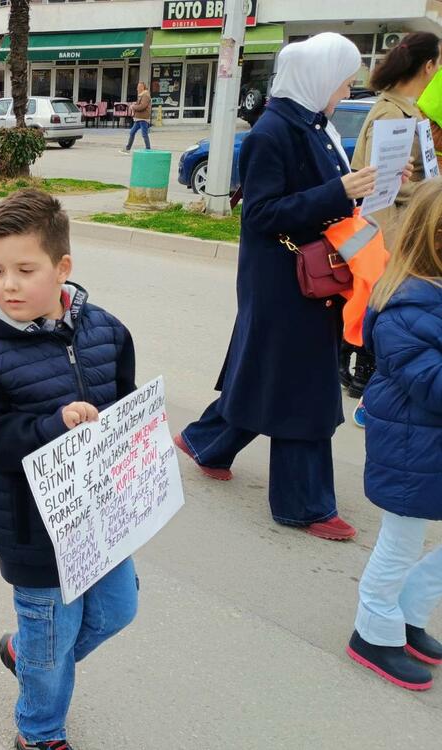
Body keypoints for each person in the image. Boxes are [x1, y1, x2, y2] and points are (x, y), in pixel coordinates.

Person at [0, 189, 139, 750]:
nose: (8, 284)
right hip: (33, 531)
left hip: (101, 518)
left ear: (63, 268)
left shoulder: (107, 331)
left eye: (25, 270)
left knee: (116, 611)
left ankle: (26, 656)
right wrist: (53, 427)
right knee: (51, 642)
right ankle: (39, 731)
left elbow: (124, 407)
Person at [176, 33, 379, 542]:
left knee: (268, 372)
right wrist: (339, 191)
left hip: (307, 277)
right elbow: (262, 214)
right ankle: (302, 504)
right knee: (303, 389)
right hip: (283, 281)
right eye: (343, 81)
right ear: (318, 79)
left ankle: (208, 442)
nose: (346, 90)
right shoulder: (273, 131)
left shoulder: (310, 123)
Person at [345, 179, 442, 691]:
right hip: (411, 447)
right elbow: (430, 383)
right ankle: (373, 630)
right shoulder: (407, 307)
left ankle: (408, 612)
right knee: (400, 542)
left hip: (429, 445)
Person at [341, 32, 441, 402]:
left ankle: (356, 364)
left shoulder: (406, 109)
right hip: (387, 225)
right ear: (428, 66)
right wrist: (432, 194)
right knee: (380, 299)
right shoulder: (390, 112)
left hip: (400, 223)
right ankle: (362, 369)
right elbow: (379, 178)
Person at [120, 81, 151, 154]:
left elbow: (142, 106)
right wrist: (134, 104)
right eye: (138, 87)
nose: (138, 88)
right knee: (132, 132)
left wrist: (133, 106)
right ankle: (127, 149)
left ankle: (148, 150)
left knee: (144, 134)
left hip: (143, 118)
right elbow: (139, 105)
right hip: (139, 118)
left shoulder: (146, 95)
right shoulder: (141, 95)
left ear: (143, 88)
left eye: (140, 87)